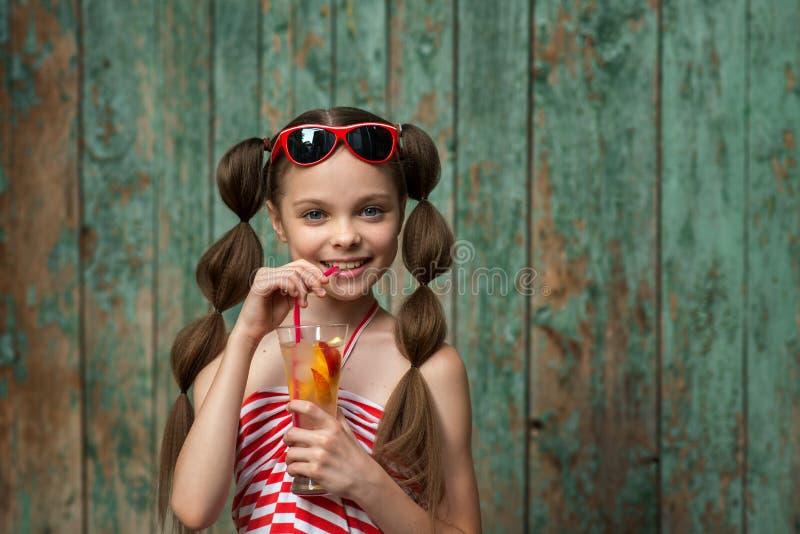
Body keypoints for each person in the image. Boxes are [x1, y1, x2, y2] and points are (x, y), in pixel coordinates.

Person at [158, 107, 481, 533]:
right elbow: (194, 509)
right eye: (315, 214)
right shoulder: (236, 360)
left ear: (401, 212)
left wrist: (365, 481)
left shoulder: (428, 366)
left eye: (371, 210)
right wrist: (245, 336)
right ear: (277, 221)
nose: (345, 236)